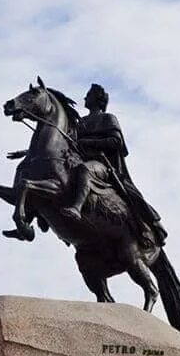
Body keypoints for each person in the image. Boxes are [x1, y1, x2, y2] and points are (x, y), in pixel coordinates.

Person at [61, 84, 167, 246]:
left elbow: (116, 142)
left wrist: (87, 142)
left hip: (103, 165)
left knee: (86, 170)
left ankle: (77, 207)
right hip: (78, 160)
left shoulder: (108, 118)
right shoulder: (80, 122)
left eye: (89, 95)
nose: (85, 98)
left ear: (97, 99)